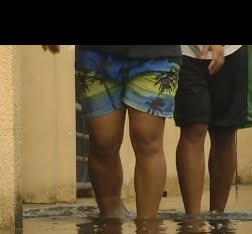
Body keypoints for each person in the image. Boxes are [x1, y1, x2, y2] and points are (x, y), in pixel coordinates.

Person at [43, 45, 222, 220]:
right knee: (103, 142)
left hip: (158, 55)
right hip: (96, 53)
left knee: (148, 140)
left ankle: (148, 229)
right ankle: (110, 222)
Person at [174, 45, 247, 216]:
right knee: (193, 127)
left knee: (225, 132)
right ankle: (193, 221)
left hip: (232, 51)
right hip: (186, 54)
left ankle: (218, 215)